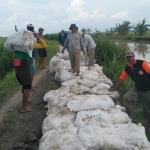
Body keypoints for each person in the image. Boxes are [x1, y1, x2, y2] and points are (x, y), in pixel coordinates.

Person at [109, 50, 150, 132]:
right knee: (126, 97)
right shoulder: (127, 68)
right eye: (127, 57)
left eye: (130, 57)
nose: (129, 58)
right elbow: (121, 79)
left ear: (134, 57)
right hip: (137, 88)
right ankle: (130, 117)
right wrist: (114, 88)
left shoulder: (142, 63)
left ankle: (148, 128)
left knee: (148, 110)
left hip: (147, 90)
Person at [14, 23, 47, 113]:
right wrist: (38, 37)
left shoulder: (18, 43)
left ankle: (26, 101)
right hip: (24, 65)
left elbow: (15, 53)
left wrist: (29, 58)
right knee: (28, 86)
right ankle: (23, 108)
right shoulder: (30, 43)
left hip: (17, 64)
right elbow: (44, 45)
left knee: (24, 84)